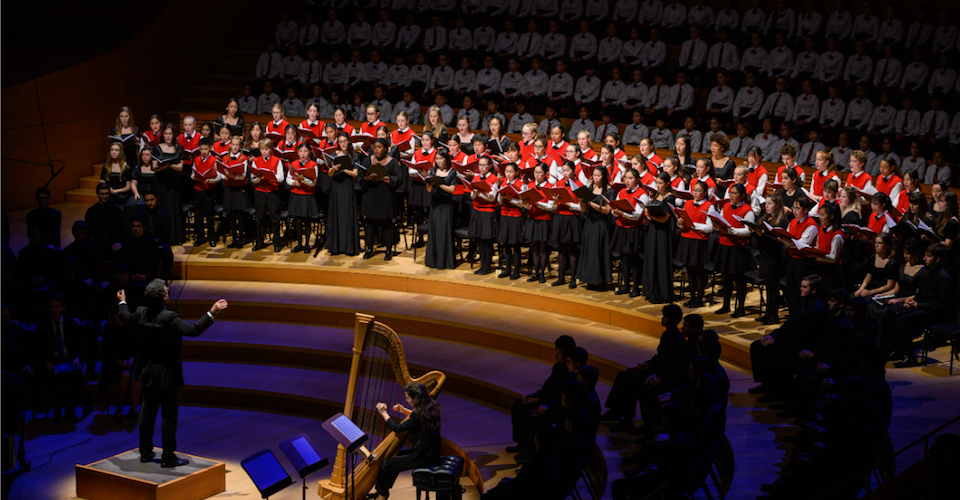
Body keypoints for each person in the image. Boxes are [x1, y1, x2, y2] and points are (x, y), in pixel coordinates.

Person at [118, 280, 227, 467]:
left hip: (148, 373)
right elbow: (193, 330)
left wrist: (122, 301)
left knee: (147, 413)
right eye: (166, 292)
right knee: (168, 416)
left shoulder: (142, 313)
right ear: (163, 297)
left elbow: (125, 317)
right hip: (168, 375)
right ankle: (168, 457)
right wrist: (212, 312)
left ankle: (145, 452)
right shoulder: (169, 317)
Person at [372, 382, 442, 500]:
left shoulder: (417, 414)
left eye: (408, 398)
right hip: (432, 452)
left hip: (425, 457)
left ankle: (381, 496)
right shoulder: (431, 405)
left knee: (387, 464)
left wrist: (384, 413)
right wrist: (404, 411)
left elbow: (397, 428)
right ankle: (382, 492)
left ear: (416, 399)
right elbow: (420, 418)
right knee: (392, 456)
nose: (407, 401)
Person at [30, 293, 85, 423]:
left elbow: (78, 346)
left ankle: (69, 412)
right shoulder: (42, 326)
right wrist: (45, 362)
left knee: (79, 379)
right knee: (52, 380)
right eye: (51, 307)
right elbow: (37, 350)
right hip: (52, 362)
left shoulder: (71, 324)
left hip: (68, 361)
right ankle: (57, 413)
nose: (53, 309)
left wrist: (77, 358)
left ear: (62, 308)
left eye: (56, 306)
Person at [714, 183, 754, 317]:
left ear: (742, 196)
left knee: (739, 279)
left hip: (738, 248)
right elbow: (722, 221)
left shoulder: (747, 210)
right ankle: (726, 305)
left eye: (734, 193)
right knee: (726, 278)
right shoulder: (725, 206)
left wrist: (731, 231)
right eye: (730, 193)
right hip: (725, 245)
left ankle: (740, 308)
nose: (731, 196)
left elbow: (748, 231)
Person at [361, 139, 402, 260]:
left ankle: (388, 250)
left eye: (379, 147)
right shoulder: (367, 160)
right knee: (370, 223)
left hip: (386, 197)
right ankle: (369, 249)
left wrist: (385, 178)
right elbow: (361, 178)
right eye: (375, 147)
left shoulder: (393, 162)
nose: (376, 150)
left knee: (386, 224)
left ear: (386, 149)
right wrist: (368, 178)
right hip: (370, 196)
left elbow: (399, 179)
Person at [751, 196, 789, 325]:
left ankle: (774, 315)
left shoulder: (782, 221)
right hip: (765, 256)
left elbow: (778, 243)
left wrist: (763, 235)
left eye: (770, 204)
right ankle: (768, 313)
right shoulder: (765, 218)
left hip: (775, 258)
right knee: (768, 287)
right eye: (766, 204)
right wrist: (755, 232)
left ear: (777, 205)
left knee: (773, 288)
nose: (766, 206)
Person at [677, 180, 714, 308]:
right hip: (686, 239)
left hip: (699, 241)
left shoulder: (709, 206)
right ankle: (692, 297)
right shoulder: (687, 203)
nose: (696, 193)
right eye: (694, 190)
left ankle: (699, 298)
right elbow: (682, 224)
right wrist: (681, 223)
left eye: (699, 191)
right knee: (689, 270)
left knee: (698, 271)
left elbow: (710, 227)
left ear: (705, 193)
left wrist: (693, 225)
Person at [641, 172, 677, 303]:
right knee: (651, 259)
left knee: (661, 262)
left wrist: (649, 215)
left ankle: (661, 293)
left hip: (663, 233)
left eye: (660, 183)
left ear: (667, 184)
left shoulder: (670, 198)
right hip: (653, 231)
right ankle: (651, 290)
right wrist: (650, 202)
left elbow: (665, 219)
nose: (658, 186)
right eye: (656, 183)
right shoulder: (657, 196)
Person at [325, 132, 360, 256]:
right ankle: (336, 246)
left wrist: (344, 168)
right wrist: (334, 169)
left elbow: (355, 174)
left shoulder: (354, 155)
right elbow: (329, 173)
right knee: (336, 214)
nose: (343, 144)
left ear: (349, 141)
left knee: (347, 214)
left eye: (345, 141)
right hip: (336, 187)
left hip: (347, 186)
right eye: (340, 141)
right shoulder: (334, 155)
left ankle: (348, 247)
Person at [152, 124, 185, 244]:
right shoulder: (157, 148)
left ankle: (175, 237)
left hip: (173, 183)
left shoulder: (179, 148)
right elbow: (154, 168)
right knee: (161, 208)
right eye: (166, 134)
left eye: (170, 134)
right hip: (160, 182)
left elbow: (180, 167)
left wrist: (169, 165)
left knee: (173, 209)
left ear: (173, 135)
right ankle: (160, 237)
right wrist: (162, 166)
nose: (168, 136)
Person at [425, 152, 459, 270]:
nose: (439, 161)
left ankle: (445, 262)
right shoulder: (433, 171)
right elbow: (429, 190)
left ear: (446, 159)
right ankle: (433, 261)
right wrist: (429, 186)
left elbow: (451, 189)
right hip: (435, 204)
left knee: (444, 232)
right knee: (434, 231)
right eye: (437, 159)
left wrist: (439, 184)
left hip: (446, 205)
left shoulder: (452, 172)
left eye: (441, 158)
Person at [523, 163, 555, 283]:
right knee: (534, 247)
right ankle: (536, 273)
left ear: (545, 174)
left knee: (543, 247)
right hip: (532, 218)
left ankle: (542, 273)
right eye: (535, 172)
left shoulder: (550, 186)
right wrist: (525, 203)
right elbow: (527, 206)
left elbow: (550, 207)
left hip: (544, 219)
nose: (537, 175)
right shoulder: (530, 185)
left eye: (539, 172)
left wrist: (537, 203)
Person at [468, 156, 500, 275]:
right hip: (477, 210)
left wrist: (480, 193)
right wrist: (475, 193)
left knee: (487, 240)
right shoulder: (476, 177)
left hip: (487, 212)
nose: (481, 167)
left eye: (484, 165)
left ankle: (487, 266)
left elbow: (492, 197)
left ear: (490, 166)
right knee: (479, 239)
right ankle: (482, 265)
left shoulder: (494, 179)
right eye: (480, 165)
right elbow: (472, 196)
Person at [251, 139, 284, 252]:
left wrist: (269, 177)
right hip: (260, 192)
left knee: (274, 218)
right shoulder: (256, 161)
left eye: (266, 149)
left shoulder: (276, 160)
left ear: (270, 150)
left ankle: (276, 242)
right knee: (259, 218)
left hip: (272, 192)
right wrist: (258, 178)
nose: (264, 152)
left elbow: (280, 178)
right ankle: (259, 242)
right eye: (262, 149)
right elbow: (252, 178)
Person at [286, 143, 320, 253]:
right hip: (296, 195)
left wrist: (303, 179)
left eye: (305, 151)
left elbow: (313, 183)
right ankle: (299, 244)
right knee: (298, 221)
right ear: (297, 152)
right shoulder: (294, 163)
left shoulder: (313, 164)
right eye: (301, 151)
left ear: (309, 152)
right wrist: (294, 182)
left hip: (307, 196)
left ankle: (306, 245)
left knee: (307, 220)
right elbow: (287, 179)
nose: (303, 154)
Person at [497, 163, 527, 280]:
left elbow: (522, 204)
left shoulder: (521, 184)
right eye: (507, 171)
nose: (508, 174)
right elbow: (499, 202)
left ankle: (516, 271)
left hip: (516, 216)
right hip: (505, 215)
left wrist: (511, 200)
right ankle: (508, 269)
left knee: (516, 245)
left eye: (511, 172)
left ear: (516, 173)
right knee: (506, 245)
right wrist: (501, 197)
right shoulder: (502, 182)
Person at [221, 136, 249, 249]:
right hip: (229, 188)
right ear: (230, 145)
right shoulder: (225, 158)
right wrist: (228, 176)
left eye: (237, 145)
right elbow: (222, 174)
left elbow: (243, 176)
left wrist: (233, 176)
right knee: (232, 215)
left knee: (240, 215)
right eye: (233, 144)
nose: (235, 147)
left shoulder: (244, 158)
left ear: (240, 146)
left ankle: (240, 240)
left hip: (239, 188)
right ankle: (233, 239)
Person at [85, 183, 126, 253]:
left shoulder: (117, 210)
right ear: (97, 194)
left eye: (107, 194)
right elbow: (87, 231)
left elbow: (122, 229)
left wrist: (119, 242)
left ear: (110, 194)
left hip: (113, 244)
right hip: (96, 244)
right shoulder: (91, 211)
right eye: (102, 194)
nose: (105, 196)